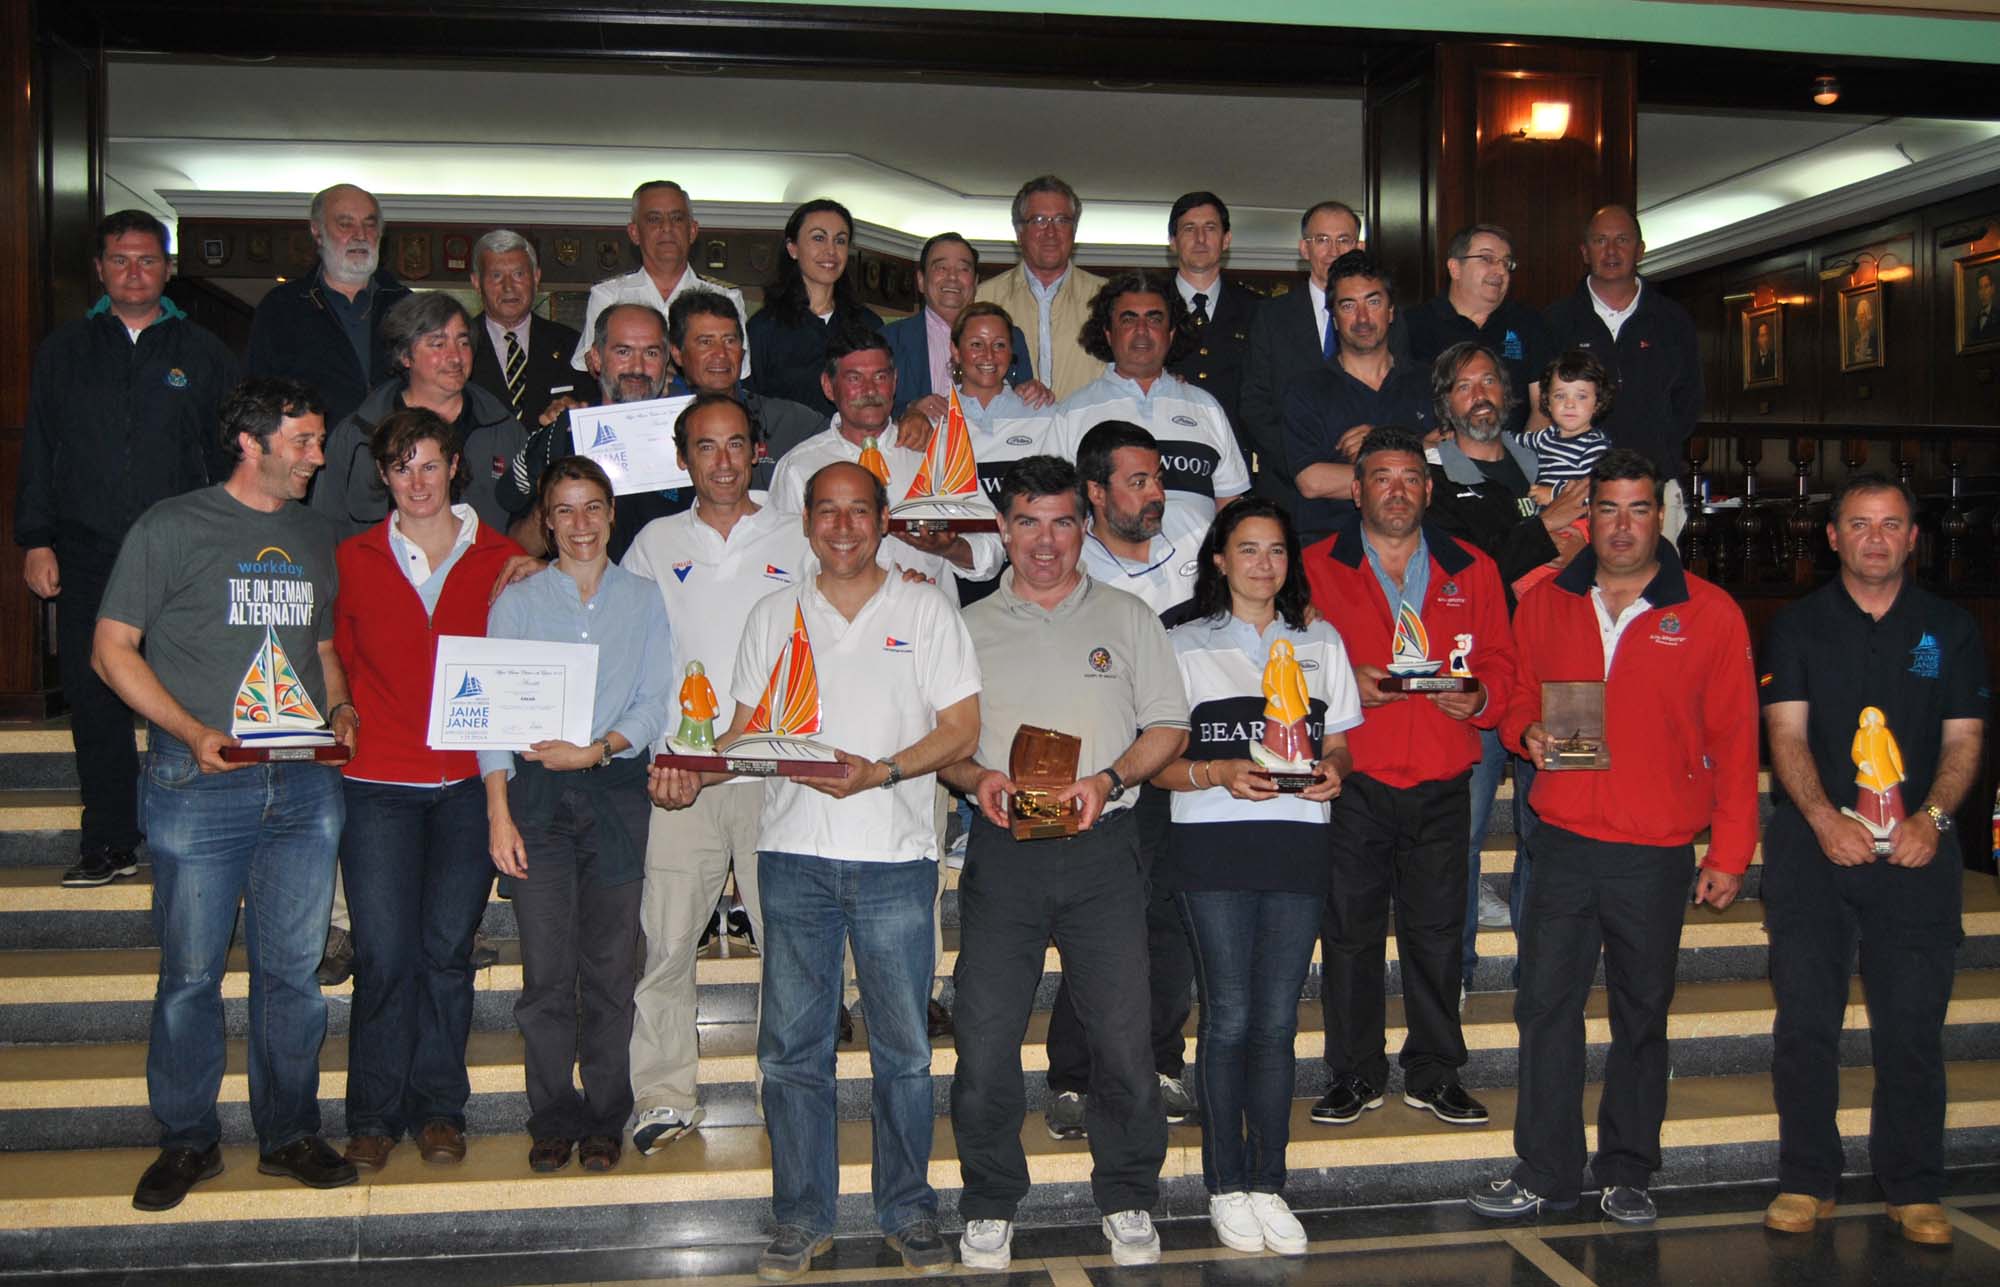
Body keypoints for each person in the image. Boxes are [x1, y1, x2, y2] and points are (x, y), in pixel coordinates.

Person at [658, 459, 980, 1279]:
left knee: (903, 1051)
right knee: (791, 1051)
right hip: (793, 859)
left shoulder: (925, 606)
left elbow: (962, 729)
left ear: (883, 519)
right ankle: (802, 1217)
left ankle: (908, 1210)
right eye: (826, 511)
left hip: (896, 860)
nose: (842, 525)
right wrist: (690, 766)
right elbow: (744, 733)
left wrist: (885, 771)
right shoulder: (775, 613)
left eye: (858, 510)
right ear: (805, 524)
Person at [1470, 449, 1756, 1225]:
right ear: (1586, 516)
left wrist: (1730, 851)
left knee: (1641, 1014)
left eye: (1637, 509)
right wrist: (1522, 725)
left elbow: (1736, 739)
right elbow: (1516, 694)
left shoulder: (1710, 611)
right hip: (1561, 842)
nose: (1622, 525)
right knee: (1545, 1009)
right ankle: (1547, 1169)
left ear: (1659, 517)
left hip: (1655, 851)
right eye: (1608, 509)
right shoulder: (1545, 600)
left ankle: (1628, 1167)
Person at [93, 377, 358, 1211]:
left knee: (293, 974)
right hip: (198, 780)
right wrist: (188, 730)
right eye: (303, 442)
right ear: (251, 441)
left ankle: (287, 1131)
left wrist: (342, 703)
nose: (318, 456)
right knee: (191, 975)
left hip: (304, 784)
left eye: (318, 441)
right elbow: (111, 650)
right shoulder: (170, 526)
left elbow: (318, 646)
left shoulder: (316, 534)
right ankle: (187, 1138)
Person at [943, 454, 1188, 1272]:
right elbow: (945, 746)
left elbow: (1168, 728)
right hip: (1004, 853)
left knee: (1123, 1038)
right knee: (983, 1037)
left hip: (1103, 849)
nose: (1045, 541)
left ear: (1084, 526)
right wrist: (978, 778)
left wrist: (1109, 778)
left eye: (1061, 522)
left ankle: (1126, 1194)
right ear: (1003, 531)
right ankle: (988, 1200)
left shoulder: (1128, 617)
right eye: (1027, 522)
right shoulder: (967, 627)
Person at [1759, 475, 1987, 1247]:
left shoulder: (1950, 629)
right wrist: (1823, 818)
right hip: (1815, 855)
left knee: (1913, 1029)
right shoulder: (1796, 628)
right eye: (1860, 524)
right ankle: (1806, 1177)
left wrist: (1933, 817)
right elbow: (1785, 735)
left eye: (1892, 524)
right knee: (1807, 1026)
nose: (1877, 538)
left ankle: (1914, 1185)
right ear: (1833, 537)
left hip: (1919, 858)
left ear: (1914, 537)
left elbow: (1964, 741)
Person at [1152, 498, 1360, 1257]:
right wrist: (1214, 771)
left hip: (1298, 846)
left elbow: (1341, 745)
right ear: (1218, 558)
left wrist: (1334, 771)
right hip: (1213, 847)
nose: (1263, 564)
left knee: (1278, 1020)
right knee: (1230, 1015)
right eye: (1247, 549)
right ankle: (1224, 1184)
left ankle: (1269, 1181)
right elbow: (1156, 764)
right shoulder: (1179, 642)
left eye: (1276, 550)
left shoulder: (1320, 639)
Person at [1302, 426, 1517, 1132]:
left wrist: (1480, 695)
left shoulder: (1473, 565)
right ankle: (1356, 1071)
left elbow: (1501, 661)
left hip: (1441, 774)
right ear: (1357, 489)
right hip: (1354, 777)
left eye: (1410, 477)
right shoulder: (1313, 566)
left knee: (1436, 932)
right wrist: (1343, 685)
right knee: (1351, 932)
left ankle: (1434, 1070)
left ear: (1428, 489)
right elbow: (1284, 663)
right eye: (1382, 477)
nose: (1397, 489)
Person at [15, 209, 238, 889]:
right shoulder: (64, 350)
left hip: (182, 558)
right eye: (120, 260)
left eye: (147, 260)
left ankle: (189, 832)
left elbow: (230, 455)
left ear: (168, 268)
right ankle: (108, 838)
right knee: (95, 695)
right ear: (100, 268)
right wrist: (35, 539)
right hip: (86, 553)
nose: (134, 272)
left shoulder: (202, 352)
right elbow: (39, 451)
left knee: (185, 693)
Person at [331, 408, 524, 1173]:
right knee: (382, 952)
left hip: (468, 786)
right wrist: (339, 703)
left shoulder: (504, 557)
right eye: (401, 466)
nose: (417, 480)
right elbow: (331, 650)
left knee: (445, 951)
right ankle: (374, 1113)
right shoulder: (352, 556)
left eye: (429, 464)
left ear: (455, 468)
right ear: (383, 475)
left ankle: (441, 1108)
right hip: (376, 780)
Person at [622, 393, 811, 1154]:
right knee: (665, 943)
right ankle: (664, 1094)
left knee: (789, 949)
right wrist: (650, 753)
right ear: (682, 458)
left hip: (777, 777)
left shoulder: (799, 536)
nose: (724, 460)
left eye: (737, 444)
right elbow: (632, 657)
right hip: (682, 777)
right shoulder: (651, 542)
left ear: (757, 450)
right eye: (706, 446)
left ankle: (788, 1091)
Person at [480, 455, 675, 1176]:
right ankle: (552, 1112)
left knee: (610, 967)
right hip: (533, 798)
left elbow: (657, 701)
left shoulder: (645, 598)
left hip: (616, 790)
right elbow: (491, 718)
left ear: (612, 513)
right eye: (565, 509)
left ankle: (605, 1113)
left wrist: (596, 749)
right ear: (546, 519)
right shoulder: (520, 602)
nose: (581, 524)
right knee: (546, 969)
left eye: (593, 507)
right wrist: (498, 813)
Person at [1043, 421, 1206, 1142]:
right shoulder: (1073, 568)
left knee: (1171, 921)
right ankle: (1073, 1076)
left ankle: (1164, 1060)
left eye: (1159, 480)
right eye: (1138, 481)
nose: (1156, 494)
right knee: (1094, 925)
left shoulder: (1197, 546)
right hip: (1103, 771)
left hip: (1187, 761)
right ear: (1095, 491)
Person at [769, 324, 1003, 589]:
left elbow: (993, 550)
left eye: (880, 377)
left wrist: (950, 547)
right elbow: (782, 567)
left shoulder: (937, 453)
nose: (870, 390)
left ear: (895, 381)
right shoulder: (799, 467)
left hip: (925, 622)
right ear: (828, 386)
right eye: (855, 378)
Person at [1048, 270, 1251, 534]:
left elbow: (1230, 506)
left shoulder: (1206, 407)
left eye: (1154, 319)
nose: (1142, 331)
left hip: (1196, 572)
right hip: (1103, 573)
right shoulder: (1073, 412)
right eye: (1128, 320)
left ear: (1171, 333)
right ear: (1109, 333)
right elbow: (1052, 506)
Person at [313, 291, 528, 540]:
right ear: (405, 356)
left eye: (463, 342)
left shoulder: (504, 430)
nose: (456, 357)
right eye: (438, 344)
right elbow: (324, 528)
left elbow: (530, 525)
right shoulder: (358, 435)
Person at [1542, 206, 1701, 534]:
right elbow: (1541, 403)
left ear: (1640, 251)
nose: (1611, 251)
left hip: (1654, 484)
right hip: (1573, 490)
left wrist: (1659, 451)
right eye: (1600, 241)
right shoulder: (1554, 321)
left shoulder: (1672, 321)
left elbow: (1689, 402)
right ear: (1585, 252)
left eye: (1622, 240)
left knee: (1655, 581)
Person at [1284, 250, 1431, 544]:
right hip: (1330, 548)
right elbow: (1311, 481)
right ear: (1334, 318)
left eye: (1373, 302)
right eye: (1348, 305)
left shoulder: (1429, 382)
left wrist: (1379, 442)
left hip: (1416, 545)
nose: (1362, 318)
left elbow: (1453, 462)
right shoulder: (1306, 388)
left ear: (1391, 311)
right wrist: (1417, 457)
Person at [246, 183, 410, 430]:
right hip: (316, 460)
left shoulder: (409, 306)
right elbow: (259, 399)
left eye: (369, 224)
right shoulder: (282, 308)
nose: (360, 235)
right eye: (346, 224)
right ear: (317, 231)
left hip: (398, 458)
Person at [1242, 200, 1364, 512]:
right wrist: (1301, 465)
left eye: (1343, 240)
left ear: (1359, 247)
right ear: (1303, 248)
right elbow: (1255, 404)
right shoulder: (1270, 317)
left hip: (1364, 487)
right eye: (1321, 240)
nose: (1333, 251)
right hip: (1288, 488)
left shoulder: (1382, 316)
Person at [571, 180, 750, 373]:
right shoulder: (608, 296)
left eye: (677, 218)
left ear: (692, 231)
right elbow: (591, 369)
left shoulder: (725, 297)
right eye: (654, 219)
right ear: (634, 233)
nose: (667, 227)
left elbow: (738, 372)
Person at [1403, 224, 1551, 433]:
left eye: (1506, 263)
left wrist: (1524, 457)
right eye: (1487, 259)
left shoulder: (1528, 322)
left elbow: (1543, 407)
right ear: (1455, 268)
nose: (1500, 271)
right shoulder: (1413, 325)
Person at [746, 199, 885, 417]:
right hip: (787, 449)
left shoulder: (869, 325)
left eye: (840, 240)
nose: (831, 250)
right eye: (819, 238)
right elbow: (751, 406)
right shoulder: (764, 327)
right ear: (792, 248)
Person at [974, 175, 1108, 400]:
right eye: (1038, 220)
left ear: (1074, 231)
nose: (1050, 232)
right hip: (1008, 430)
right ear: (1019, 233)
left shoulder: (1108, 298)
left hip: (1088, 431)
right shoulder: (982, 299)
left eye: (1061, 220)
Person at [882, 233, 1043, 417]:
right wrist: (910, 410)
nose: (952, 277)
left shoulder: (1010, 338)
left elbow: (1026, 407)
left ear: (975, 283)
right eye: (941, 267)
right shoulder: (889, 340)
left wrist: (1033, 392)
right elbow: (869, 410)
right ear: (920, 280)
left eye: (963, 269)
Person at [1512, 349, 1615, 601]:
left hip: (1581, 521)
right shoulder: (1545, 437)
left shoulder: (1596, 444)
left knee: (1535, 576)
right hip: (1549, 519)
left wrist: (1553, 492)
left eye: (1581, 396)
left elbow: (1595, 489)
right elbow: (1513, 441)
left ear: (1598, 402)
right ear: (1546, 401)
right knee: (1520, 574)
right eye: (1560, 396)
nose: (1570, 404)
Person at [1165, 191, 1260, 456]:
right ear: (1172, 242)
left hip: (1234, 452)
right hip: (1164, 453)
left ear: (1226, 240)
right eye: (1189, 229)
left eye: (1210, 228)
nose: (1200, 238)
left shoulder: (1257, 309)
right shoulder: (1148, 304)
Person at [466, 228, 586, 428]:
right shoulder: (459, 347)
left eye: (518, 274)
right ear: (476, 283)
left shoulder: (570, 344)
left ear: (537, 277)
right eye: (496, 276)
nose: (508, 287)